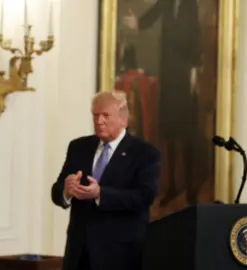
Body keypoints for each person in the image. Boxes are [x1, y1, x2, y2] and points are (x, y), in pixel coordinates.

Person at [51, 91, 160, 270]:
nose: (99, 121)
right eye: (95, 115)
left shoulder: (144, 153)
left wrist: (101, 194)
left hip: (120, 255)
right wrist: (66, 191)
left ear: (123, 119)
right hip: (79, 254)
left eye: (105, 115)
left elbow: (144, 197)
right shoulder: (78, 147)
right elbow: (56, 192)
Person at [123, 0, 201, 206]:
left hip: (184, 74)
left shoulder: (190, 5)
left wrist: (194, 69)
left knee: (187, 133)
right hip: (167, 72)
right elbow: (150, 16)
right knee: (169, 131)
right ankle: (174, 187)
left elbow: (196, 35)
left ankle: (191, 188)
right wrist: (137, 23)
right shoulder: (165, 2)